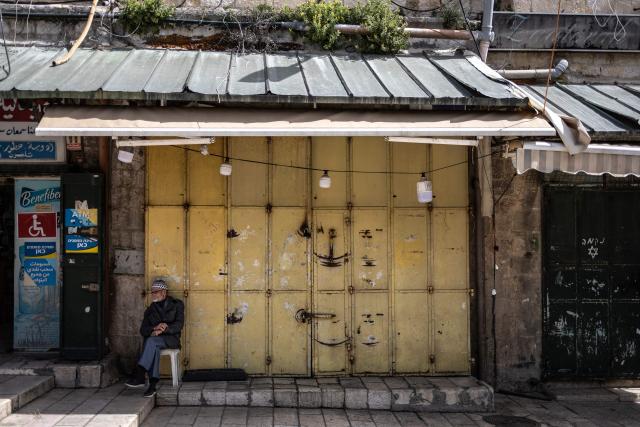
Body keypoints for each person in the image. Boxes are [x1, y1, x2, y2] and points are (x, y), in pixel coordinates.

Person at [125, 278, 184, 397]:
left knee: (151, 342)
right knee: (153, 344)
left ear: (164, 292)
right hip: (155, 340)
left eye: (155, 292)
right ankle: (152, 386)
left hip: (171, 339)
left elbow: (179, 325)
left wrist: (165, 328)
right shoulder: (150, 309)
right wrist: (154, 328)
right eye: (152, 292)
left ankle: (140, 374)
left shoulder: (177, 305)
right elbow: (143, 330)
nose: (153, 295)